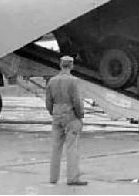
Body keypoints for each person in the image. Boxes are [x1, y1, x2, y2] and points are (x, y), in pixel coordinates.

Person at [46, 55, 87, 186]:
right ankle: (72, 178)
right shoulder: (73, 81)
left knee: (55, 148)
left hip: (57, 116)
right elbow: (77, 101)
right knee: (72, 147)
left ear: (60, 65)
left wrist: (54, 112)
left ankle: (53, 178)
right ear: (72, 66)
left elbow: (48, 102)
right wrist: (80, 116)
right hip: (71, 116)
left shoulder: (51, 81)